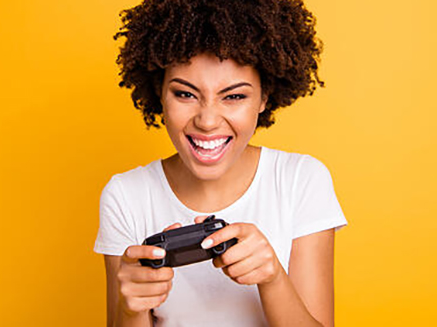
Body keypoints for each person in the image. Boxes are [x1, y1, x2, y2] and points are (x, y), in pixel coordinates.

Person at [93, 0, 348, 326]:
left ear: (264, 97)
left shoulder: (301, 180)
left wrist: (272, 279)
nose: (208, 121)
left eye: (234, 96)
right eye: (185, 94)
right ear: (160, 93)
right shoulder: (126, 195)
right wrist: (132, 309)